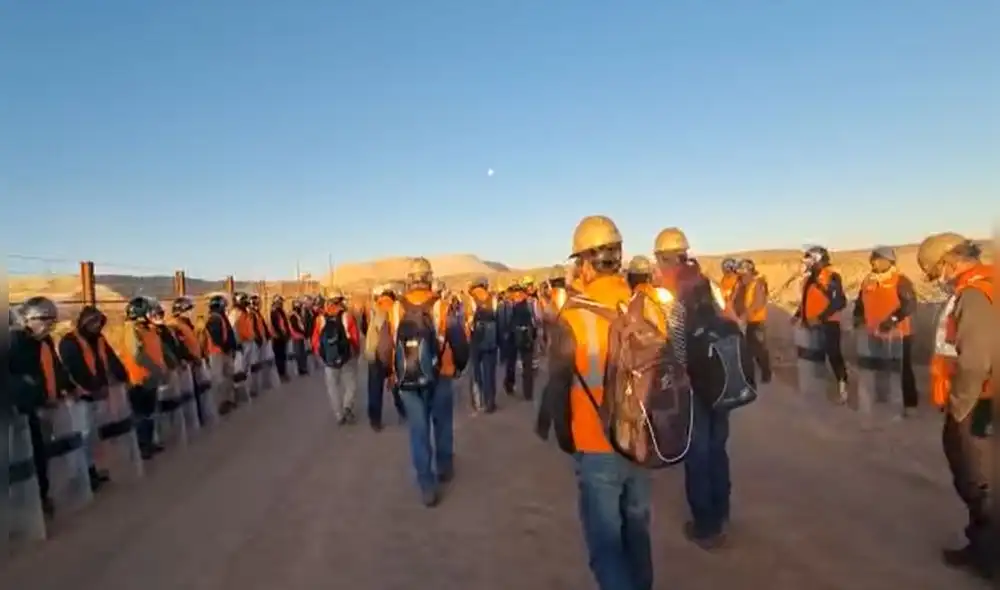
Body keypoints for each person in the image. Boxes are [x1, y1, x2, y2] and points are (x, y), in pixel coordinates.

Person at [538, 216, 653, 590]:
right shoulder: (647, 306)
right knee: (637, 535)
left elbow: (558, 388)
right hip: (641, 438)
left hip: (595, 442)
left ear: (586, 262)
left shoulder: (573, 315)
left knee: (606, 546)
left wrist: (565, 438)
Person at [917, 232, 994, 581]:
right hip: (983, 398)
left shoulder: (975, 294)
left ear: (949, 261)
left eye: (938, 271)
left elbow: (975, 360)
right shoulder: (988, 283)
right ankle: (981, 545)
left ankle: (989, 557)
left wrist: (960, 406)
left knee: (977, 480)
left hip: (979, 401)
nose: (940, 279)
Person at [653, 226, 733, 548]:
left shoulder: (668, 291)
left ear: (663, 257)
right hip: (720, 377)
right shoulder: (709, 283)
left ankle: (706, 525)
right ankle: (722, 512)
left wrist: (677, 376)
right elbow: (730, 321)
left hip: (694, 384)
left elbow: (674, 340)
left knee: (697, 453)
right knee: (718, 448)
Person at [376, 257, 468, 507]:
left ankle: (427, 486)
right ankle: (445, 468)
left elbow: (384, 348)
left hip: (407, 380)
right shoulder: (442, 306)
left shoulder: (395, 309)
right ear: (429, 277)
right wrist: (458, 365)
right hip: (442, 375)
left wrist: (390, 373)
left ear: (410, 279)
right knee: (442, 424)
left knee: (417, 431)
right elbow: (459, 340)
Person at [10, 297, 73, 516]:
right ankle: (20, 504)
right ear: (29, 319)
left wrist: (65, 387)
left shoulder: (44, 342)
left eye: (52, 320)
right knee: (18, 458)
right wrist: (26, 391)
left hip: (37, 407)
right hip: (16, 411)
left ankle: (40, 497)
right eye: (45, 320)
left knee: (39, 453)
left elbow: (54, 367)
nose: (49, 325)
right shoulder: (14, 342)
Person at [58, 305, 128, 491]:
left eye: (99, 322)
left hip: (98, 393)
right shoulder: (70, 341)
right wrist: (90, 388)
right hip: (80, 394)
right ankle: (78, 475)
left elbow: (111, 359)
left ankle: (90, 470)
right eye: (93, 322)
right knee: (82, 434)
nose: (97, 326)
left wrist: (122, 376)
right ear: (84, 322)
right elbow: (74, 368)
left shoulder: (99, 340)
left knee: (92, 435)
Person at [852, 246, 919, 416]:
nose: (875, 263)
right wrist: (857, 318)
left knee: (902, 368)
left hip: (898, 333)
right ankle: (883, 398)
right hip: (873, 332)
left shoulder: (900, 280)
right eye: (873, 259)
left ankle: (910, 404)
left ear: (889, 262)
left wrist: (893, 320)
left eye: (879, 260)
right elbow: (860, 304)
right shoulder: (868, 281)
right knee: (877, 366)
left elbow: (909, 305)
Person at [793, 245, 849, 402]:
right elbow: (806, 300)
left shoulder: (831, 276)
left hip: (828, 324)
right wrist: (798, 315)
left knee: (834, 355)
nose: (806, 261)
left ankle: (843, 387)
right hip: (811, 323)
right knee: (815, 356)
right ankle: (817, 388)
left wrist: (821, 317)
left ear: (817, 258)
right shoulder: (810, 278)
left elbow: (839, 301)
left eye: (809, 258)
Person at [120, 296, 168, 460]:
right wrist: (155, 369)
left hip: (151, 378)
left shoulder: (148, 329)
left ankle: (149, 442)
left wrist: (161, 369)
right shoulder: (131, 329)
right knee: (140, 414)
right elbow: (137, 355)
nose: (153, 314)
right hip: (138, 379)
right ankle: (142, 445)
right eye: (149, 311)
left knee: (149, 413)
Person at [312, 290, 361, 424]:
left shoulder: (320, 319)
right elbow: (355, 337)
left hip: (329, 359)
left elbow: (315, 340)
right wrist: (356, 352)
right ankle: (347, 406)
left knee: (332, 387)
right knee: (350, 384)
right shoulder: (348, 317)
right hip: (347, 357)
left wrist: (322, 354)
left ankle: (339, 415)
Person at [366, 282, 407, 430]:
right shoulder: (386, 314)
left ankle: (375, 419)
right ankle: (403, 413)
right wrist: (389, 366)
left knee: (374, 390)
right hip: (383, 356)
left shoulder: (376, 310)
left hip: (372, 355)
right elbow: (385, 343)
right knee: (395, 386)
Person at [466, 276, 500, 413]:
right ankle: (490, 403)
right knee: (489, 372)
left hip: (476, 339)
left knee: (475, 372)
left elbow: (468, 321)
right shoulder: (493, 298)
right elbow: (497, 317)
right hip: (491, 339)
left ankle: (478, 402)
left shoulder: (471, 299)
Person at [201, 294, 238, 414]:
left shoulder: (221, 317)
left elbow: (228, 333)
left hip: (224, 351)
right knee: (218, 379)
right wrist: (226, 347)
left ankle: (228, 400)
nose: (226, 308)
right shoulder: (214, 318)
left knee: (228, 376)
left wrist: (232, 346)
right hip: (217, 352)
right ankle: (219, 404)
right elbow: (217, 338)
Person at [736, 258, 772, 384]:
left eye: (742, 273)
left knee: (759, 350)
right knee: (752, 349)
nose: (740, 276)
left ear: (748, 271)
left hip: (757, 322)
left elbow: (758, 302)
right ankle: (755, 376)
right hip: (750, 321)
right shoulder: (748, 284)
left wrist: (745, 316)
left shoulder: (758, 283)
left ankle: (766, 373)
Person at [269, 295, 291, 382]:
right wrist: (281, 334)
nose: (281, 304)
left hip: (282, 336)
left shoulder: (281, 311)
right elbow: (276, 325)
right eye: (279, 302)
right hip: (277, 337)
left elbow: (284, 323)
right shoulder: (274, 311)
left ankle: (283, 372)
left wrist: (287, 333)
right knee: (279, 355)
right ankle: (280, 374)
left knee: (283, 355)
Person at [288, 298, 309, 376]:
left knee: (302, 353)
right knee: (299, 354)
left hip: (300, 336)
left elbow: (300, 324)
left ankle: (303, 368)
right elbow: (295, 326)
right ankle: (301, 369)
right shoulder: (293, 314)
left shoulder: (297, 314)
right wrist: (303, 332)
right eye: (299, 306)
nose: (300, 307)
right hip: (296, 336)